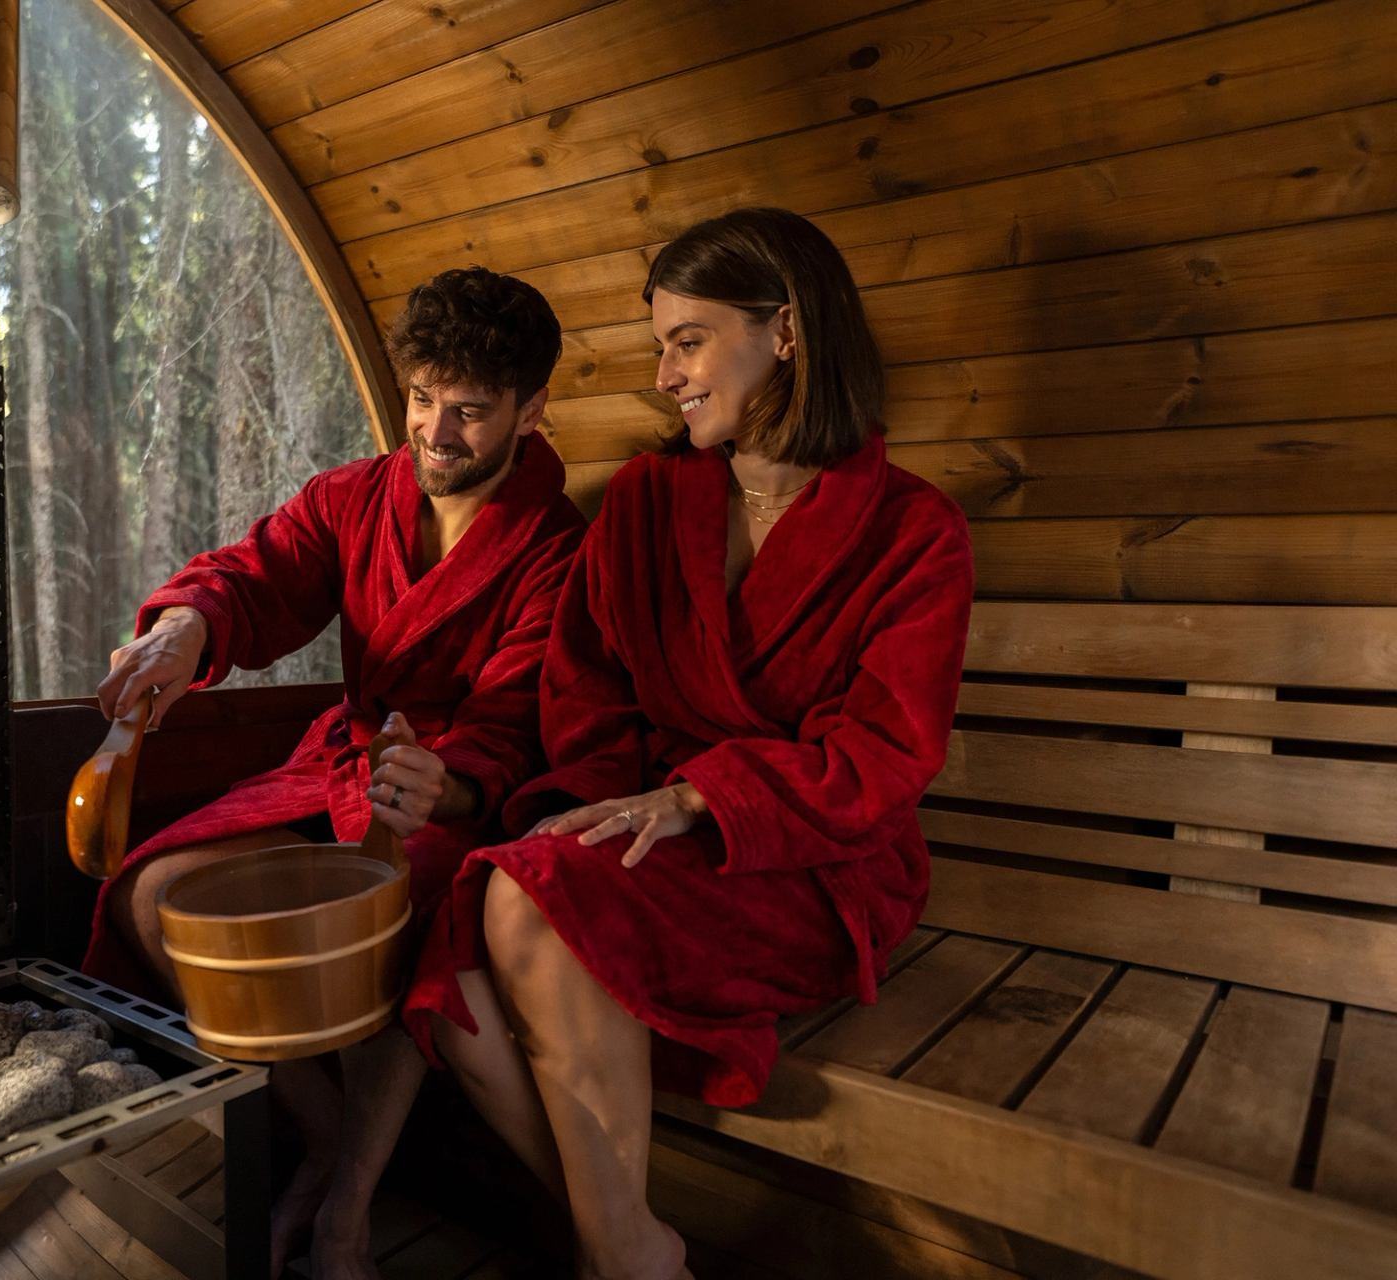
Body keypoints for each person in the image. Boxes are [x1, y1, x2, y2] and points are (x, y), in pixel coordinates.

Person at [403, 208, 976, 1280]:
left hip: (813, 859)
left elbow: (883, 755)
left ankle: (623, 1253)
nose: (665, 375)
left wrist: (699, 799)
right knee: (459, 973)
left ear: (786, 331)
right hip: (645, 829)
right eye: (662, 345)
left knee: (517, 905)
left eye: (689, 341)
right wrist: (613, 805)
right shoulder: (646, 502)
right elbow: (587, 696)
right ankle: (630, 1248)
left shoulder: (913, 532)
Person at [80, 266, 587, 1279]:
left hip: (452, 794)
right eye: (421, 400)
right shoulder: (354, 497)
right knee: (152, 892)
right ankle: (322, 1132)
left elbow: (518, 715)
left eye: (469, 411)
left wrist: (448, 782)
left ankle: (346, 1212)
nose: (435, 433)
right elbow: (256, 573)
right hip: (341, 763)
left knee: (401, 914)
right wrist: (188, 626)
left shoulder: (558, 548)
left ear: (531, 410)